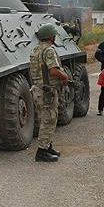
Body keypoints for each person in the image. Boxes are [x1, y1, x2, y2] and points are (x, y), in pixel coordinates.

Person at [29, 23, 70, 162]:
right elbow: (53, 70)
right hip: (47, 92)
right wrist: (64, 76)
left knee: (45, 119)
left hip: (38, 89)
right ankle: (42, 152)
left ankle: (48, 146)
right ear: (51, 37)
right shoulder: (49, 50)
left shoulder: (36, 50)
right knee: (49, 120)